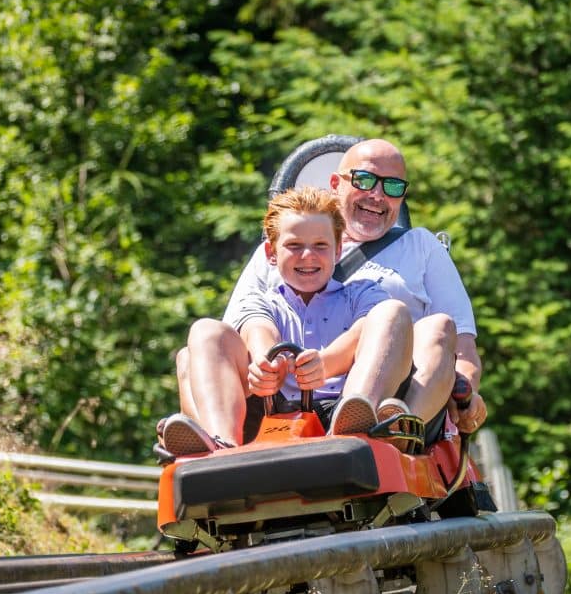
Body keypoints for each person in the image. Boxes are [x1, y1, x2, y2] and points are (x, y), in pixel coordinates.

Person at [171, 138, 487, 445]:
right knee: (196, 346)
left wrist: (464, 391)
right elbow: (247, 324)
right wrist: (270, 362)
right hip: (277, 394)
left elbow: (456, 347)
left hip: (390, 384)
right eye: (364, 180)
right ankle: (218, 442)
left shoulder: (415, 251)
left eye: (391, 186)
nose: (376, 195)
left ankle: (376, 421)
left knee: (422, 322)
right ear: (335, 184)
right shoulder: (273, 265)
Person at [159, 186, 414, 455]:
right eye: (294, 245)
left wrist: (324, 364)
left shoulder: (361, 293)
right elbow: (258, 328)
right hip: (269, 409)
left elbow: (370, 326)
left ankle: (354, 421)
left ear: (338, 250)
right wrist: (268, 365)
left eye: (320, 246)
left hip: (337, 406)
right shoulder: (261, 300)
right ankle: (222, 443)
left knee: (393, 311)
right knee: (204, 331)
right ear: (271, 253)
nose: (307, 256)